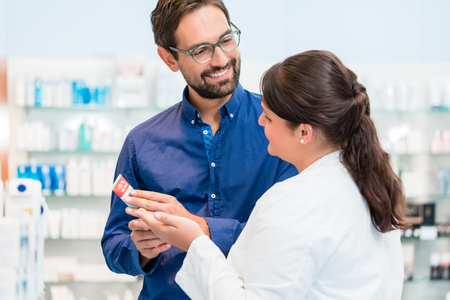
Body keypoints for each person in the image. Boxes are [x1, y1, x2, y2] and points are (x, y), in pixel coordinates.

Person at [127, 50, 407, 299]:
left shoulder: (296, 201)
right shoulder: (372, 184)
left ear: (304, 132)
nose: (260, 122)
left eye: (269, 117)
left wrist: (195, 241)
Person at [101, 0, 297, 299]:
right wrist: (141, 251)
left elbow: (292, 236)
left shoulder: (283, 129)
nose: (220, 59)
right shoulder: (141, 143)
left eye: (226, 40)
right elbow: (114, 244)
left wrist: (199, 228)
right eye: (200, 50)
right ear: (169, 58)